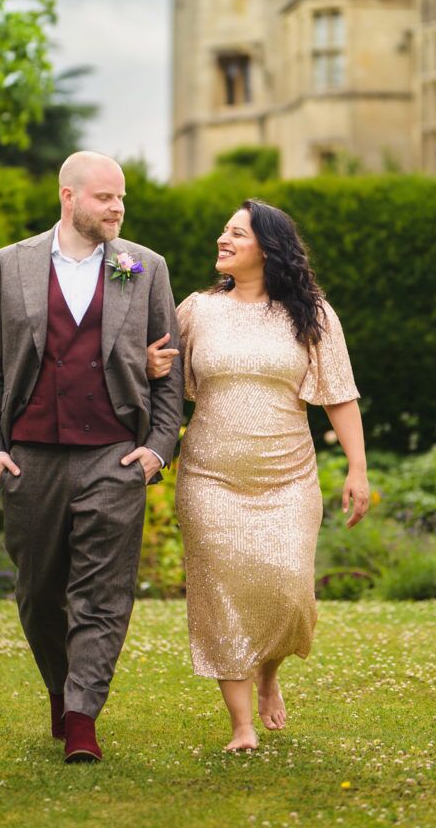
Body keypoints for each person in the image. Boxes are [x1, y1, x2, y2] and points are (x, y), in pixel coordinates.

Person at [0, 151, 183, 763]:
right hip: (31, 456)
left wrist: (157, 448)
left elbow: (170, 370)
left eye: (122, 198)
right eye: (105, 197)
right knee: (39, 593)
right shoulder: (10, 263)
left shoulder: (144, 266)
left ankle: (82, 718)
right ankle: (60, 687)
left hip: (114, 456)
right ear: (68, 197)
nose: (118, 208)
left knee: (103, 594)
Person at [147, 199, 369, 752]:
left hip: (289, 476)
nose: (223, 240)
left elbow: (339, 394)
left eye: (237, 233)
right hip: (210, 476)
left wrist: (357, 469)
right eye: (223, 231)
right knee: (220, 592)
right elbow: (163, 379)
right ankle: (241, 725)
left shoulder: (312, 314)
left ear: (268, 249)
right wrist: (151, 365)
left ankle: (269, 672)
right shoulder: (197, 309)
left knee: (289, 590)